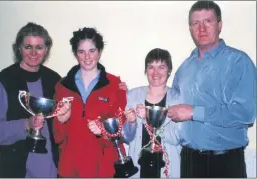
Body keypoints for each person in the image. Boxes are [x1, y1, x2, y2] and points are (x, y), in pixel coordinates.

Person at [168, 1, 256, 178]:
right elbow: (173, 103)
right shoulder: (184, 67)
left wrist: (194, 112)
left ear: (220, 25)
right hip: (188, 161)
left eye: (208, 21)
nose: (201, 28)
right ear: (190, 29)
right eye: (195, 23)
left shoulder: (239, 61)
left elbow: (246, 113)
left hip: (225, 162)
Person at [52, 27, 128, 178]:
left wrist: (104, 130)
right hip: (71, 169)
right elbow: (57, 137)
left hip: (104, 168)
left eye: (92, 50)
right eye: (81, 51)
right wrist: (61, 121)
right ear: (75, 53)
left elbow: (120, 129)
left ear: (100, 52)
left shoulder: (115, 84)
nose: (87, 57)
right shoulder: (62, 86)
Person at [0, 22, 60, 178]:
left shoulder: (55, 80)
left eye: (39, 47)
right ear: (19, 48)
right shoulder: (4, 80)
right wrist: (26, 124)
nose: (34, 53)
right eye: (28, 47)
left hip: (51, 168)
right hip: (16, 169)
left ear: (46, 50)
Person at [122, 48, 181, 178]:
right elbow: (126, 138)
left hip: (167, 167)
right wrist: (130, 122)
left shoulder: (178, 98)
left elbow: (177, 137)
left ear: (169, 70)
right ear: (145, 70)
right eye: (151, 67)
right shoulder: (132, 95)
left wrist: (149, 118)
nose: (156, 72)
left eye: (161, 67)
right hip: (138, 167)